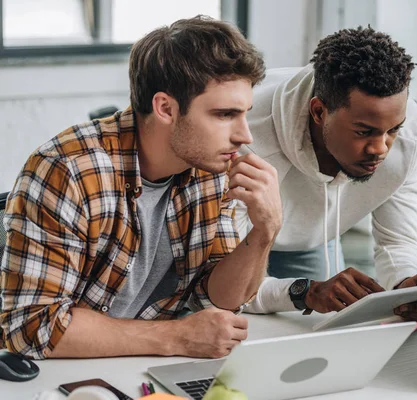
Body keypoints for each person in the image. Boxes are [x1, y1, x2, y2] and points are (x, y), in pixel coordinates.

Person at [0, 16, 282, 360]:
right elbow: (30, 327)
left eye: (245, 114)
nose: (245, 136)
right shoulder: (69, 170)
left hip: (146, 366)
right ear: (165, 108)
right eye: (224, 114)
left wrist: (265, 230)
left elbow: (217, 297)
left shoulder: (210, 165)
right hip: (63, 376)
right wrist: (177, 337)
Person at [239, 27, 417, 325]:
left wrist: (406, 287)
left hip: (313, 241)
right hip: (240, 242)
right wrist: (305, 292)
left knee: (321, 333)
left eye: (393, 130)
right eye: (364, 132)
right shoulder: (244, 136)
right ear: (318, 112)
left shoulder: (408, 132)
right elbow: (222, 286)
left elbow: (397, 241)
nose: (380, 148)